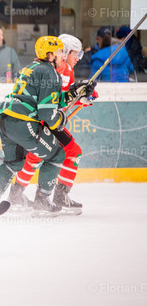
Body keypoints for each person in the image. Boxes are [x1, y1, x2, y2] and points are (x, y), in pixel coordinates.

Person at [0, 36, 78, 217]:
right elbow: (47, 114)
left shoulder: (30, 68)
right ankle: (42, 201)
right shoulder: (50, 72)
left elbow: (42, 97)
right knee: (56, 156)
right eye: (59, 52)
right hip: (23, 122)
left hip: (5, 119)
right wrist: (61, 119)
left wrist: (71, 95)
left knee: (13, 163)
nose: (62, 56)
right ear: (49, 55)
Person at [8, 34, 97, 215]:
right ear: (64, 52)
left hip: (42, 119)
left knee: (36, 156)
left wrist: (82, 96)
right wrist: (79, 98)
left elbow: (60, 98)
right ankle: (54, 196)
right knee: (72, 151)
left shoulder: (61, 69)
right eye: (75, 54)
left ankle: (16, 194)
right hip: (46, 120)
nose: (78, 59)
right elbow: (54, 100)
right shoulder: (61, 68)